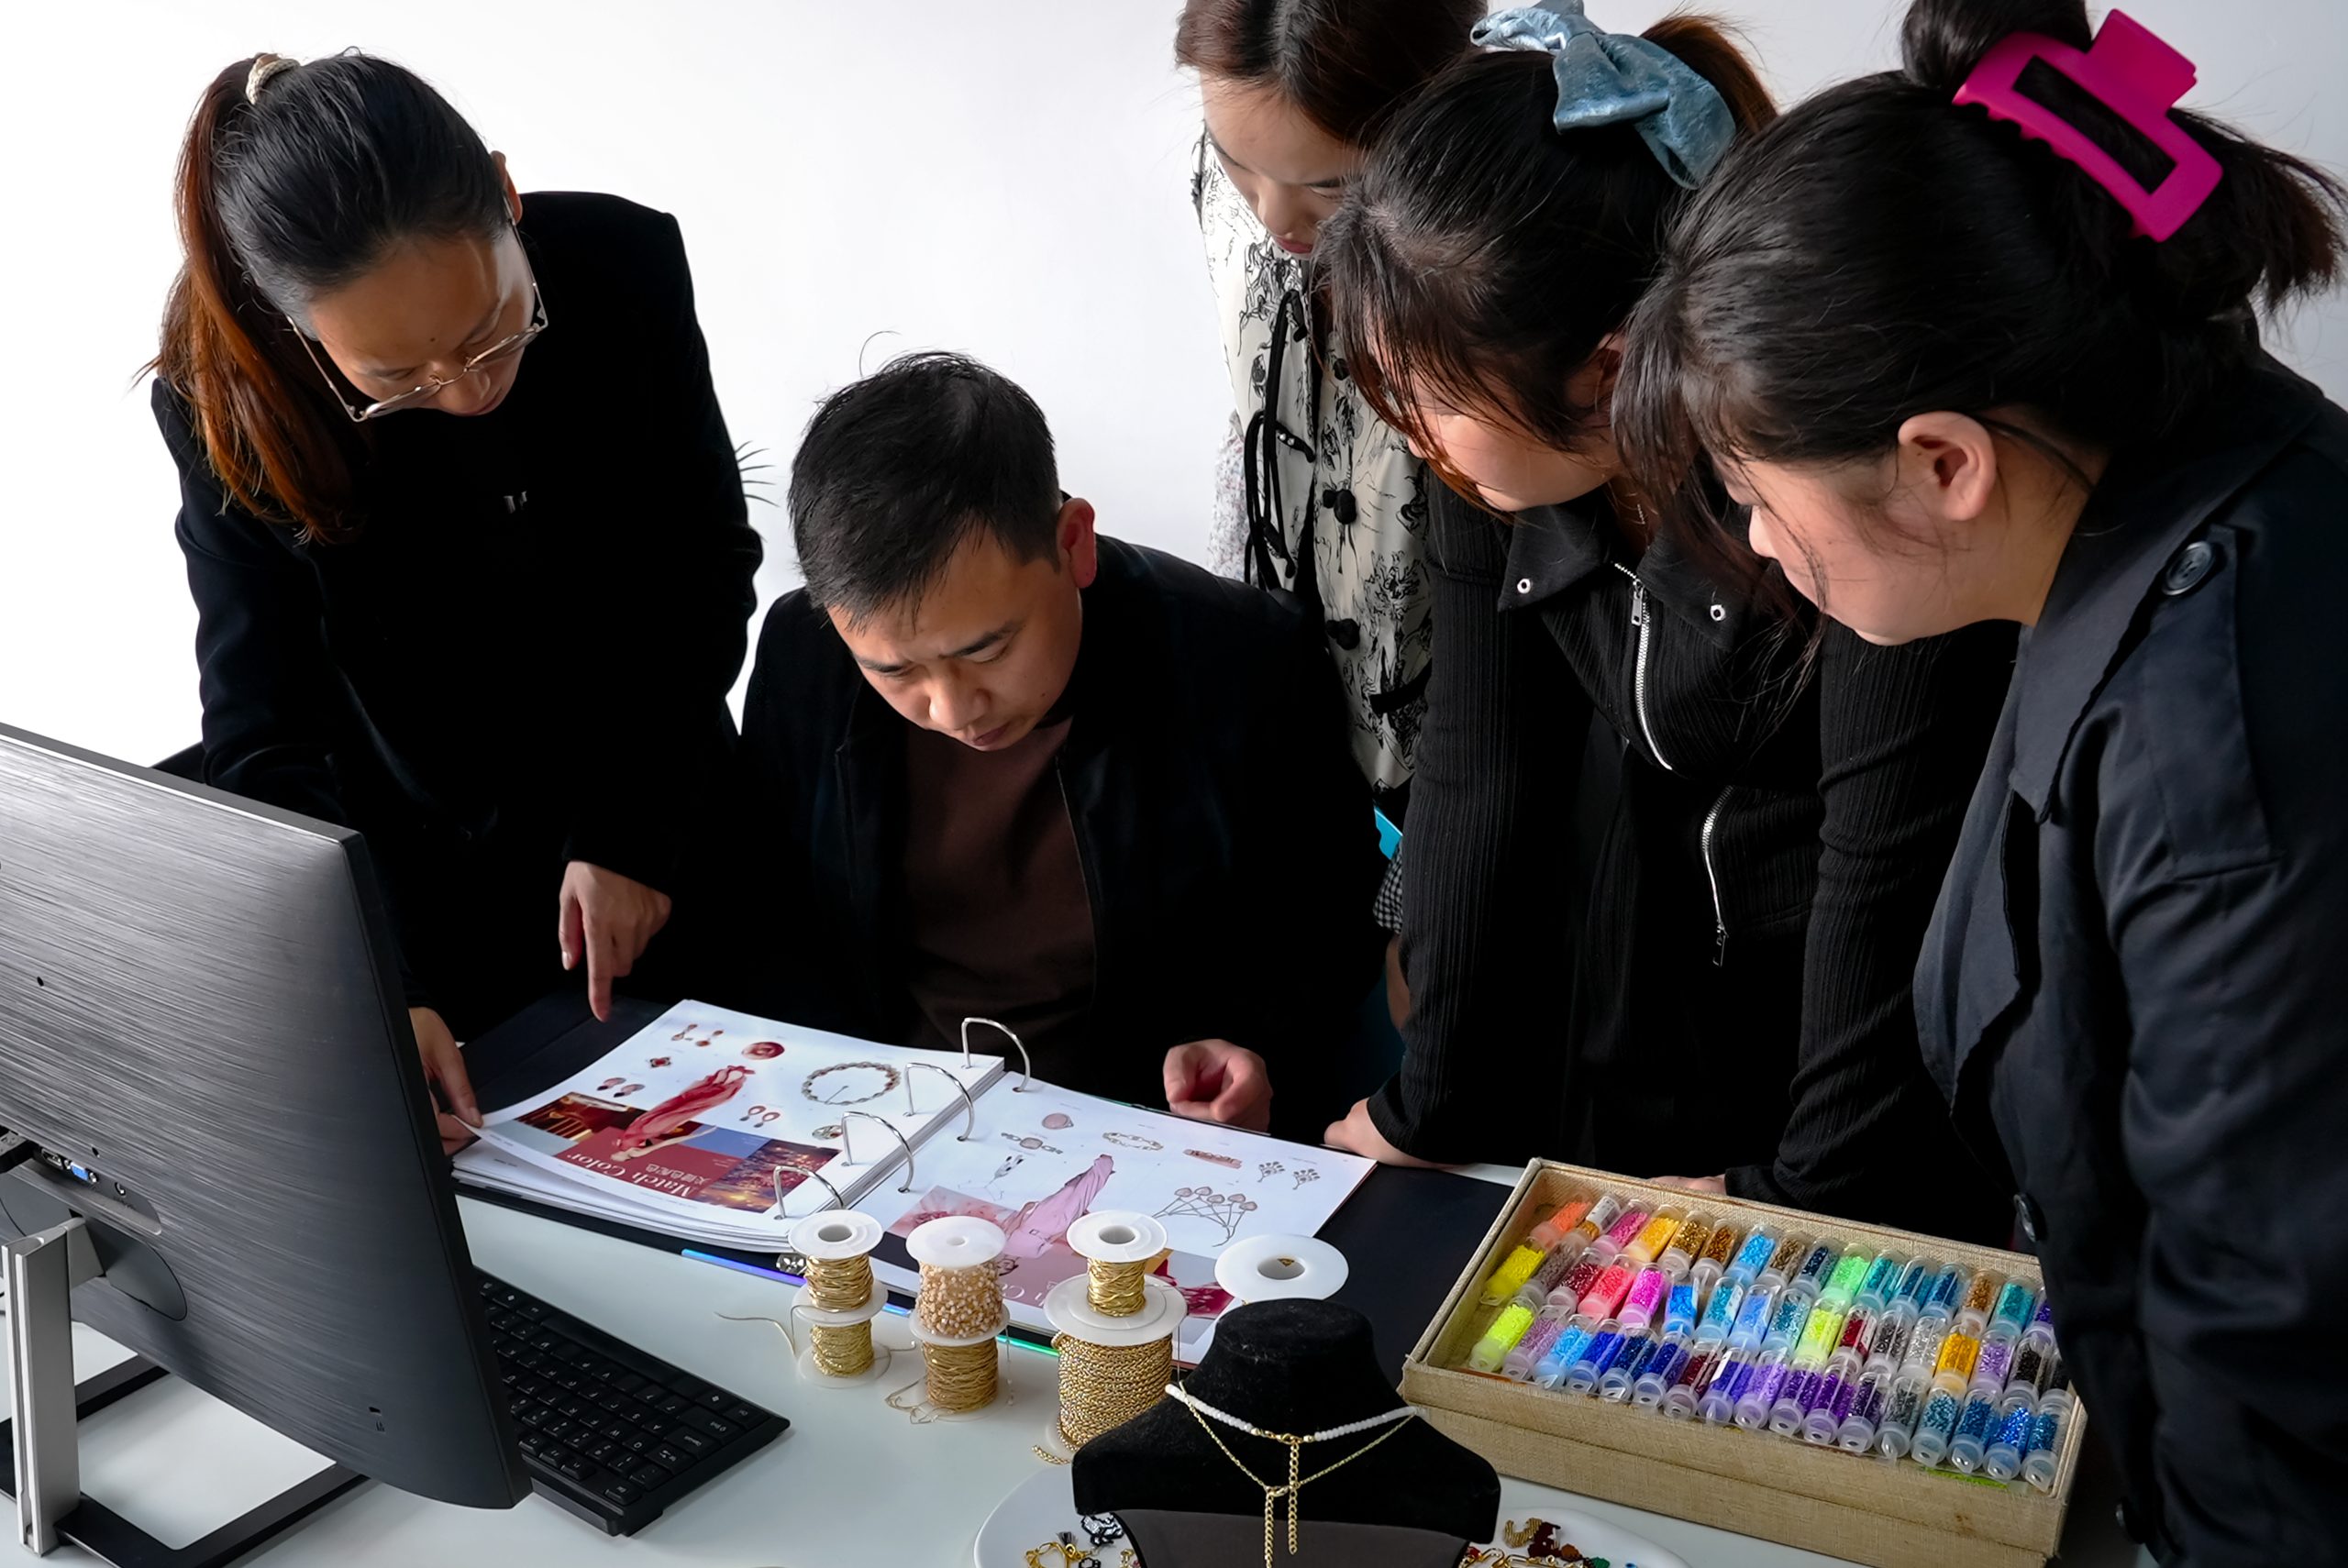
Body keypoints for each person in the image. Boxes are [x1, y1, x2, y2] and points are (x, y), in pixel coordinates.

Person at [1617, 0, 2348, 1555]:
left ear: (1947, 461)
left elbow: (2276, 1381)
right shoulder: (2175, 506)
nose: (1755, 544)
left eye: (1755, 493)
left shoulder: (2221, 756)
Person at [1311, 3, 2016, 1244]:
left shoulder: (1832, 495)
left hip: (1860, 1059)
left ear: (1607, 364)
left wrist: (1801, 1197)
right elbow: (1478, 772)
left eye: (1426, 395)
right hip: (1650, 1000)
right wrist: (1430, 1103)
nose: (1409, 434)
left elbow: (1884, 865)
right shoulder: (1495, 465)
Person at [151, 53, 761, 1149]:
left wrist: (631, 829)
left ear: (506, 192)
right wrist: (375, 983)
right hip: (426, 906)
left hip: (663, 828)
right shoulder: (229, 407)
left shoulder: (621, 266)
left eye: (492, 326)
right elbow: (263, 734)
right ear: (298, 327)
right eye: (397, 380)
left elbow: (702, 562)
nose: (470, 390)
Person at [724, 352, 1383, 1133]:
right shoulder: (806, 658)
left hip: (1144, 1128)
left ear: (1073, 543)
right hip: (883, 1121)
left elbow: (1332, 921)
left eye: (987, 651)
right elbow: (771, 920)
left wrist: (1250, 1043)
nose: (951, 708)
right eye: (894, 671)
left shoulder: (1236, 660)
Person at [1177, 0, 1482, 953]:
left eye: (1328, 186)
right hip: (1290, 718)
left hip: (1457, 771)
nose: (1273, 216)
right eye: (1238, 163)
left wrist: (1425, 893)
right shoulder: (1228, 190)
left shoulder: (1489, 244)